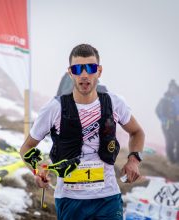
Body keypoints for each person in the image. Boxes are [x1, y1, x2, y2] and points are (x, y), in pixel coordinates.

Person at [20, 44, 145, 220]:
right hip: (70, 200)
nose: (84, 74)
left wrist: (133, 161)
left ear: (99, 71)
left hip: (107, 198)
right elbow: (26, 147)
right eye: (78, 69)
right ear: (70, 72)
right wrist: (37, 169)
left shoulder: (114, 103)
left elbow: (137, 132)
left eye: (91, 68)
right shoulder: (54, 109)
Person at [156, 79, 179, 163]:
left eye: (174, 88)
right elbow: (157, 110)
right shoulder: (165, 99)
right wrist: (164, 120)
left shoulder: (177, 98)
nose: (173, 90)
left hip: (177, 124)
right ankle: (172, 161)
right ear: (169, 88)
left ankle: (177, 162)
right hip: (167, 125)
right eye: (171, 88)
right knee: (170, 143)